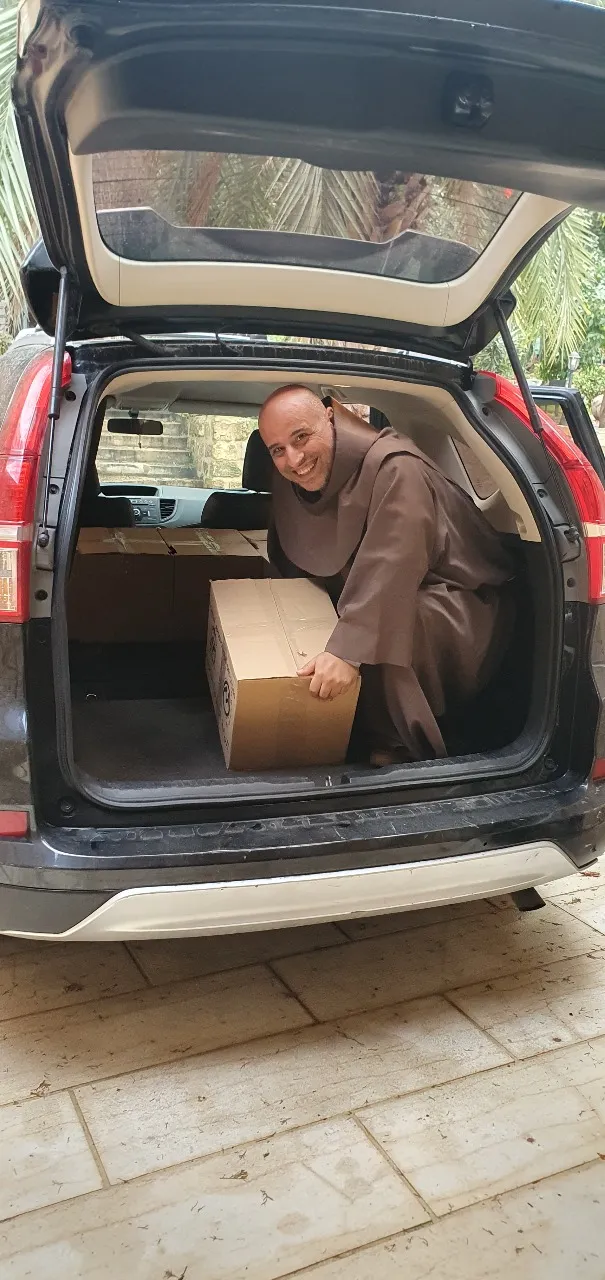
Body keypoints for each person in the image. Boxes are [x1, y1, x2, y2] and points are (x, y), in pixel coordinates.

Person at [258, 384, 515, 764]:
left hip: (460, 603)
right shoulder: (292, 483)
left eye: (301, 437)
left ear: (330, 417)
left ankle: (396, 748)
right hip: (382, 595)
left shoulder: (396, 467)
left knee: (393, 627)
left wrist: (347, 652)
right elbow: (292, 560)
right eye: (277, 450)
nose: (294, 460)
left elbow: (393, 561)